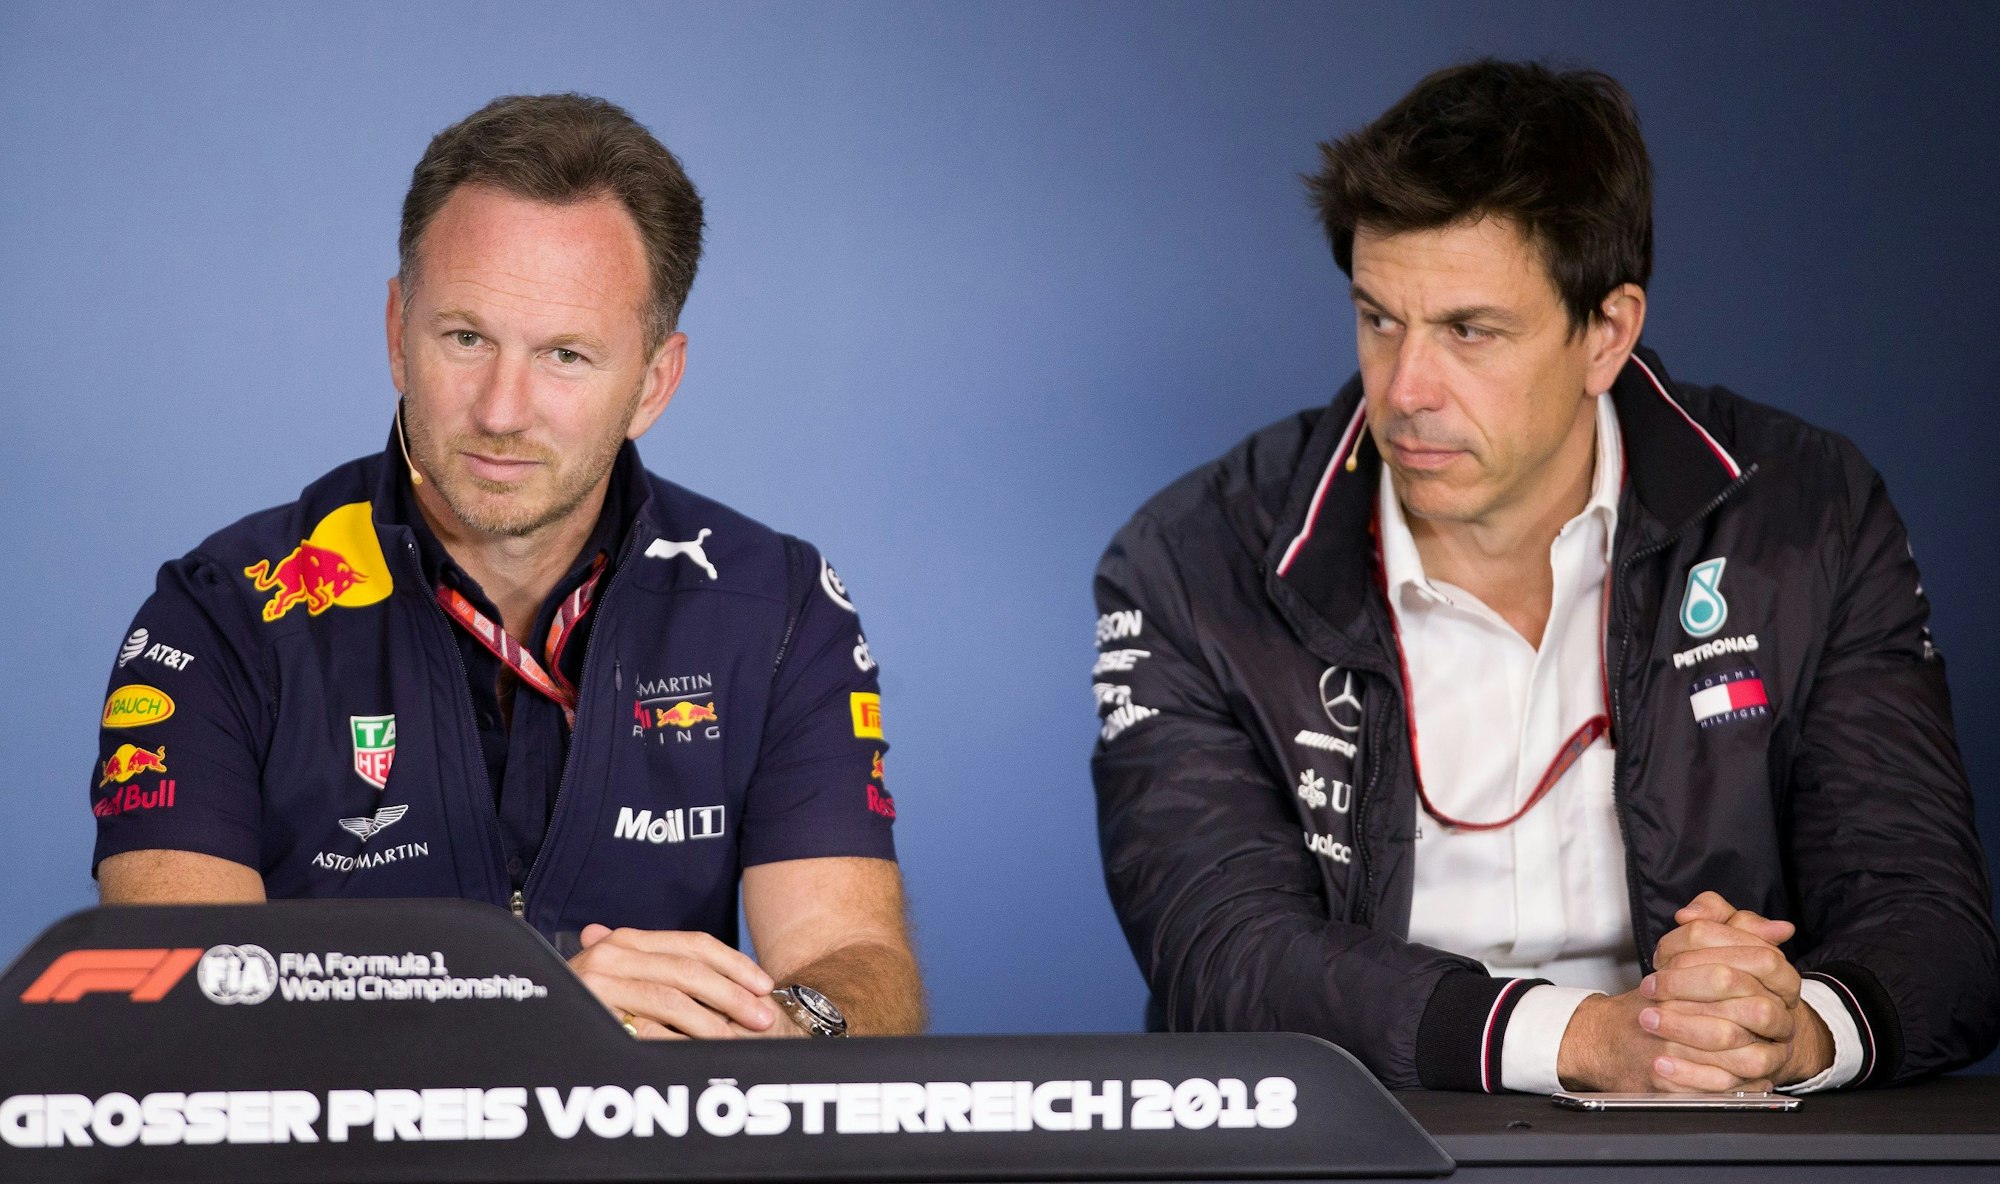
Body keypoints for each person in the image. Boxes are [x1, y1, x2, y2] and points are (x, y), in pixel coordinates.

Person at [1090, 60, 1997, 1093]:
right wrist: (1587, 1039)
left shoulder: (1803, 516)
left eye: (1469, 331)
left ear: (1605, 333)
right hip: (1364, 1136)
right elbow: (1221, 955)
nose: (1405, 390)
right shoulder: (1187, 562)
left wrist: (1788, 1028)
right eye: (1379, 318)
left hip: (1715, 1140)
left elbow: (1930, 923)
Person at [90, 94, 922, 1040]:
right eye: (466, 338)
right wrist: (533, 1016)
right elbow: (188, 1009)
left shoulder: (775, 611)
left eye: (565, 355)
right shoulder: (218, 616)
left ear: (653, 382)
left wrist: (786, 1025)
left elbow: (859, 965)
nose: (500, 409)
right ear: (398, 327)